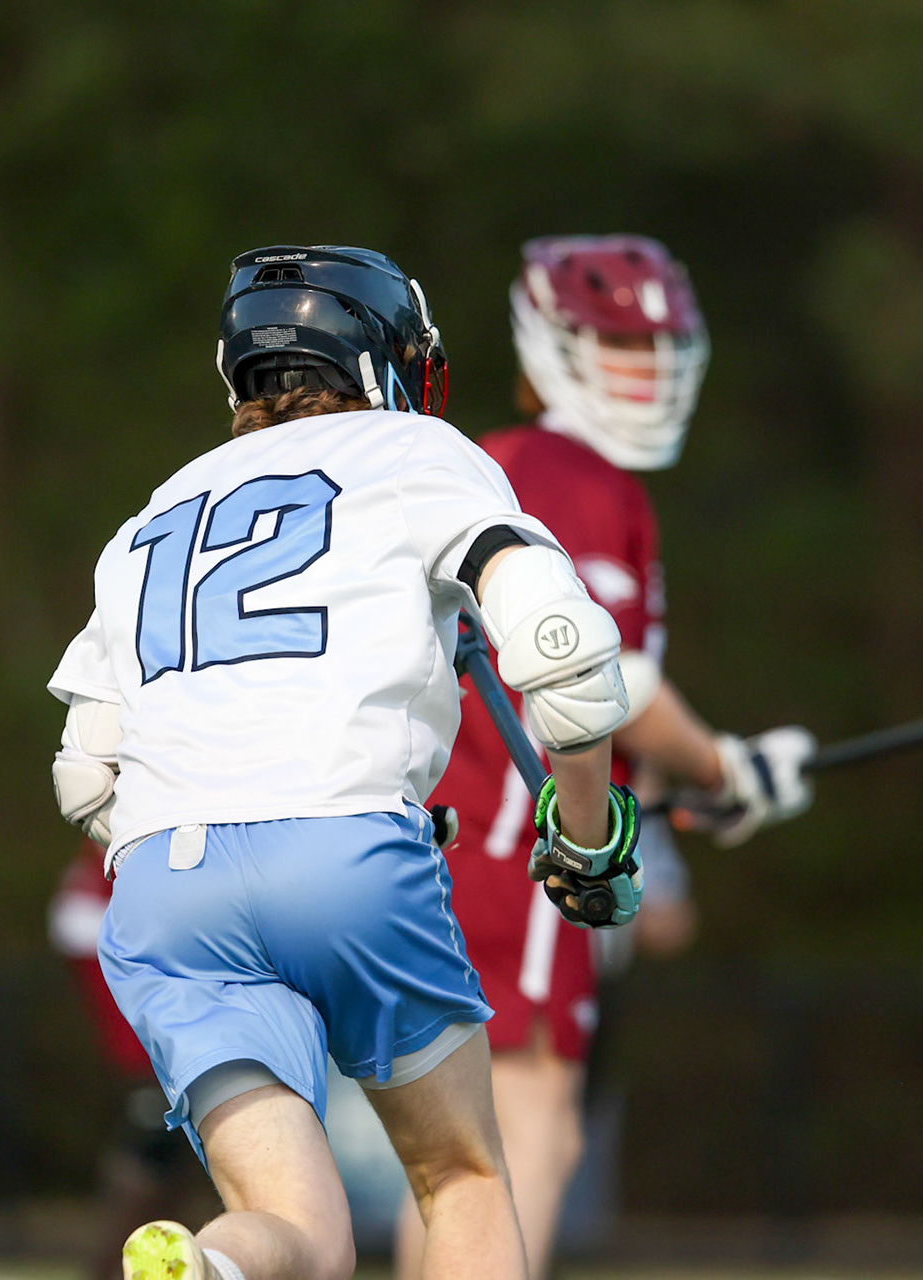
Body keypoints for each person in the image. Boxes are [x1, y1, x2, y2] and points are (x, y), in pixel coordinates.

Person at [47, 244, 645, 1280]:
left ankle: (205, 1267)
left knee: (295, 1229)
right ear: (388, 361)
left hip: (161, 894)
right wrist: (586, 841)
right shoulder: (419, 454)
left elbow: (87, 776)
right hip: (347, 859)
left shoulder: (152, 513)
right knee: (462, 1174)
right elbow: (568, 654)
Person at [396, 235, 816, 1280]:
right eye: (615, 345)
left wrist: (686, 786)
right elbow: (600, 674)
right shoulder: (572, 474)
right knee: (520, 1132)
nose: (640, 370)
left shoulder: (504, 461)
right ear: (548, 351)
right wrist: (726, 765)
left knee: (460, 1154)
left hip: (453, 845)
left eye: (653, 348)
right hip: (519, 847)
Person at [48, 839, 205, 1280]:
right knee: (153, 1148)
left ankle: (153, 1261)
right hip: (155, 1049)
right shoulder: (106, 882)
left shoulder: (96, 884)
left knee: (170, 1158)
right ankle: (112, 1268)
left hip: (161, 1047)